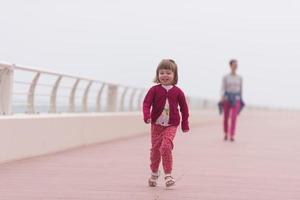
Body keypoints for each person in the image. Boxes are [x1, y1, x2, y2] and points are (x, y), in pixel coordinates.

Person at [143, 59, 189, 188]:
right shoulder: (154, 90)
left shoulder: (178, 92)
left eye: (168, 73)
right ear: (157, 74)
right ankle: (154, 173)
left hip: (171, 124)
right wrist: (146, 116)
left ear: (174, 75)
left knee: (166, 147)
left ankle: (168, 174)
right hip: (156, 125)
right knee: (155, 150)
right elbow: (146, 104)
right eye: (161, 72)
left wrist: (185, 124)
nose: (165, 75)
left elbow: (184, 109)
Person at [220, 59, 244, 142]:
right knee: (226, 117)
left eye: (236, 65)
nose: (235, 66)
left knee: (234, 117)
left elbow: (241, 89)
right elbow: (223, 87)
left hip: (236, 98)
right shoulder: (226, 77)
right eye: (234, 65)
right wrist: (222, 97)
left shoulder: (240, 78)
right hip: (227, 98)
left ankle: (232, 134)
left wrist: (241, 99)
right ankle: (226, 133)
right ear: (230, 66)